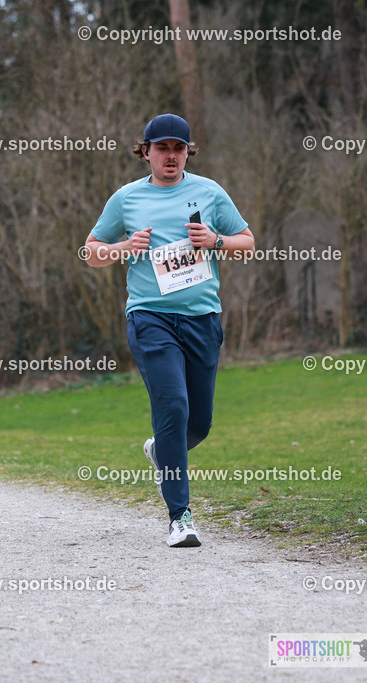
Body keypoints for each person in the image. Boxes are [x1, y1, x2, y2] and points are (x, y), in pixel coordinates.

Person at [83, 113, 254, 548]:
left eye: (179, 148)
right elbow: (90, 251)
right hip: (150, 318)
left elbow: (247, 242)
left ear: (188, 153)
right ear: (145, 152)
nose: (171, 156)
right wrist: (122, 247)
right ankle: (181, 517)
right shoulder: (125, 199)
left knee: (198, 423)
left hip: (201, 318)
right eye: (162, 148)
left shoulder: (209, 192)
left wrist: (215, 241)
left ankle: (161, 451)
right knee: (172, 406)